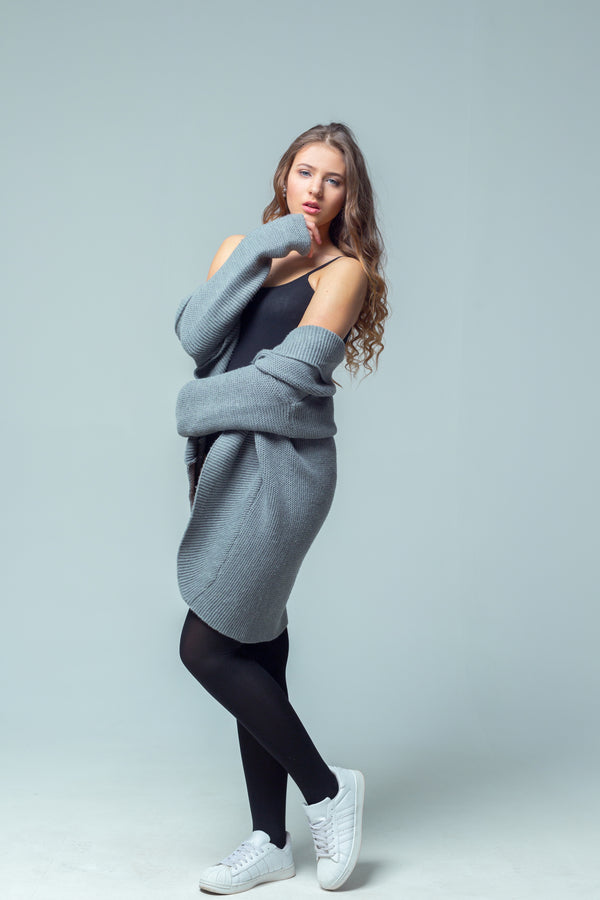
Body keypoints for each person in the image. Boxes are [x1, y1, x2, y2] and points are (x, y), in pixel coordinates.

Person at [174, 122, 389, 894]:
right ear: (284, 175)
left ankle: (327, 791)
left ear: (348, 194)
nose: (316, 190)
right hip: (223, 461)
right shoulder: (246, 247)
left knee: (206, 648)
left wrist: (193, 406)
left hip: (286, 470)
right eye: (305, 172)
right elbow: (197, 335)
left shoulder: (345, 271)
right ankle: (269, 839)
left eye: (334, 179)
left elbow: (284, 380)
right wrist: (265, 244)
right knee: (255, 645)